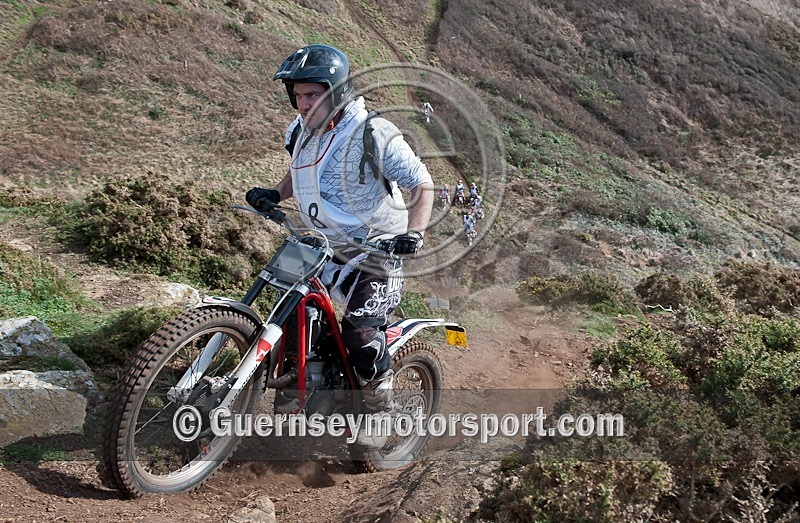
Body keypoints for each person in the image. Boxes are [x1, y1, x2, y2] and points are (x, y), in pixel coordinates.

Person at [245, 44, 434, 442]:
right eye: (297, 95)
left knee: (360, 336)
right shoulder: (298, 131)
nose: (303, 103)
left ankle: (381, 412)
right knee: (288, 311)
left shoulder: (373, 132)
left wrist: (413, 234)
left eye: (312, 94)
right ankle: (298, 390)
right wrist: (276, 194)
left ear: (336, 92)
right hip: (319, 244)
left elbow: (421, 184)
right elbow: (301, 171)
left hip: (375, 248)